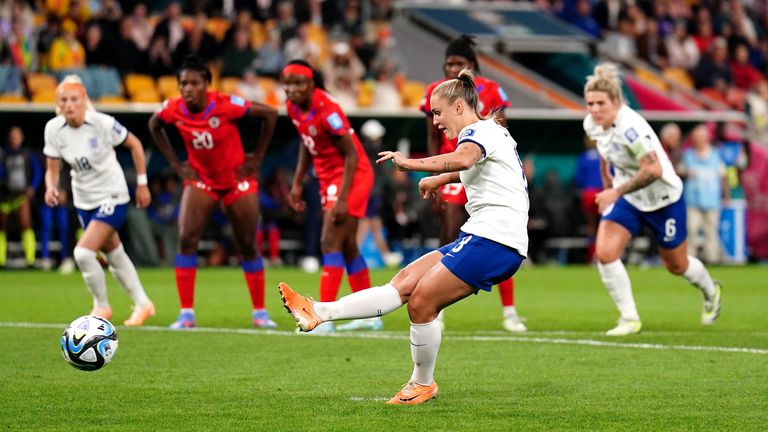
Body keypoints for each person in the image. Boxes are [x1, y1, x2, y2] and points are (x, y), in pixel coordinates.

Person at [279, 69, 529, 404]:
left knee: (423, 301)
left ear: (458, 107)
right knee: (406, 281)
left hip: (496, 240)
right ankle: (318, 311)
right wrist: (438, 181)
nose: (435, 121)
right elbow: (472, 164)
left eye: (437, 112)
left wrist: (409, 164)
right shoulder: (488, 132)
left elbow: (464, 158)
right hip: (484, 235)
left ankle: (422, 384)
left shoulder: (477, 132)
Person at [583, 63, 722, 336]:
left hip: (664, 199)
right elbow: (603, 147)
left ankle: (710, 290)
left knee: (676, 265)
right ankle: (629, 318)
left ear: (616, 102)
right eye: (590, 103)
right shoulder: (592, 123)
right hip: (630, 198)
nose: (595, 109)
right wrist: (607, 178)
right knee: (606, 253)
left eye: (601, 103)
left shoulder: (631, 129)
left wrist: (615, 191)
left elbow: (654, 169)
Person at [149, 55, 279, 329]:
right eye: (183, 83)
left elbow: (270, 113)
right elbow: (154, 125)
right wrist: (176, 164)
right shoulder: (173, 109)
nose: (187, 89)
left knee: (246, 243)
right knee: (186, 239)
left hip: (236, 179)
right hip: (202, 180)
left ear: (206, 84)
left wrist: (256, 159)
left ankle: (260, 312)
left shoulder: (225, 105)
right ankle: (186, 314)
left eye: (194, 83)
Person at [421, 34, 524, 332]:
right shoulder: (435, 91)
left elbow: (502, 127)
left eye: (459, 63)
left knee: (498, 236)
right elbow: (431, 134)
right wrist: (436, 174)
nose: (453, 68)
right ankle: (436, 302)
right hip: (453, 167)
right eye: (449, 63)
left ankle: (509, 311)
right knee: (450, 227)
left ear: (472, 65)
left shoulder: (492, 90)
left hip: (483, 164)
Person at [43, 75, 155, 326]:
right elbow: (52, 167)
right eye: (64, 100)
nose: (69, 104)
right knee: (114, 253)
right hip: (84, 200)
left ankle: (101, 307)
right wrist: (51, 187)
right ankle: (144, 304)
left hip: (112, 196)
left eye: (74, 99)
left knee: (82, 253)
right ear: (58, 103)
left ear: (84, 101)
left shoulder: (102, 123)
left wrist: (142, 183)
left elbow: (135, 145)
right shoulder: (53, 129)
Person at [280, 60, 379, 334]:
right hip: (328, 178)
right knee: (348, 247)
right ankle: (371, 314)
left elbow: (352, 153)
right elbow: (305, 142)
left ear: (311, 85)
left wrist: (344, 198)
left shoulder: (328, 108)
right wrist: (298, 181)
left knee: (329, 241)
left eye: (299, 83)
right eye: (287, 83)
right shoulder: (293, 108)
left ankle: (320, 317)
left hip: (352, 176)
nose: (292, 88)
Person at [678, 124, 729, 264]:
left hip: (711, 200)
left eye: (701, 137)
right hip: (693, 200)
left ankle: (712, 259)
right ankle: (689, 261)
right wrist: (686, 173)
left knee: (711, 232)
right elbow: (679, 173)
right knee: (691, 231)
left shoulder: (715, 155)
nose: (698, 140)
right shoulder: (688, 155)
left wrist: (726, 196)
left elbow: (723, 176)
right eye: (696, 137)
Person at [0, 126, 41, 268]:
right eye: (12, 136)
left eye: (17, 136)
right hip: (5, 196)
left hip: (21, 195)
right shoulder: (3, 153)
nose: (14, 139)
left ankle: (30, 260)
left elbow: (37, 172)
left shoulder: (27, 153)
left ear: (22, 138)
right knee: (1, 227)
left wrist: (33, 188)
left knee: (26, 224)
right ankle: (1, 261)